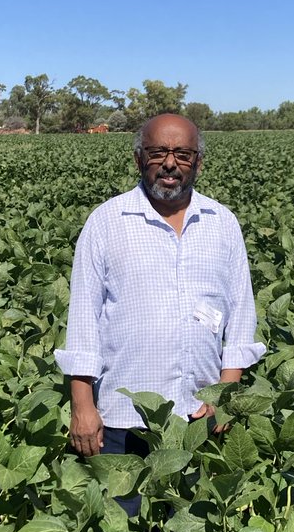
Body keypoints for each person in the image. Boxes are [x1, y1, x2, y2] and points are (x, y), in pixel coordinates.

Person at [55, 113, 265, 465]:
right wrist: (82, 407)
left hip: (200, 419)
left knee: (192, 518)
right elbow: (83, 324)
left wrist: (223, 398)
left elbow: (242, 317)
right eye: (158, 153)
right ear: (139, 159)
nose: (170, 163)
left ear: (198, 162)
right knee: (122, 518)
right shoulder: (106, 222)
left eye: (183, 154)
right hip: (123, 420)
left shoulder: (222, 224)